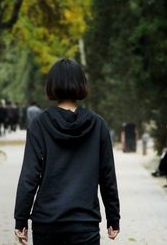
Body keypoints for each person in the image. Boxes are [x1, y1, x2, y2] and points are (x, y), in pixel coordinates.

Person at [14, 58, 120, 245]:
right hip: (85, 224)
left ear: (51, 85)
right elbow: (107, 176)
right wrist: (113, 218)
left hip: (47, 223)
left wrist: (21, 219)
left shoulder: (39, 125)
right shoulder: (98, 125)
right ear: (81, 84)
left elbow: (29, 176)